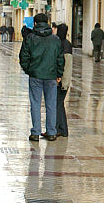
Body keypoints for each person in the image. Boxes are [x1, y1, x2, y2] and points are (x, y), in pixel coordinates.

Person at [19, 13, 64, 142]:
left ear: (34, 23)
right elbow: (60, 58)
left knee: (35, 103)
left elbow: (23, 57)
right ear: (48, 22)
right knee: (51, 104)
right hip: (51, 76)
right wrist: (59, 73)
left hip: (35, 75)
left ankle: (35, 132)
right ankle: (51, 132)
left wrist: (30, 70)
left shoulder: (30, 38)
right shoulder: (55, 40)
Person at [54, 23, 73, 137]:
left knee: (57, 104)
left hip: (61, 80)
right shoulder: (68, 44)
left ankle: (58, 129)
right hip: (65, 80)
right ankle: (63, 129)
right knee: (59, 104)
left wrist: (59, 78)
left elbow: (63, 65)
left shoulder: (60, 44)